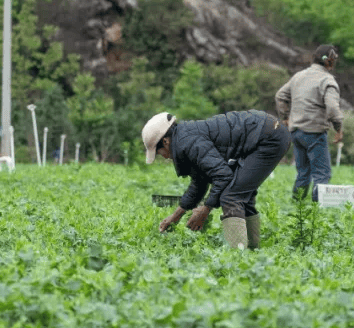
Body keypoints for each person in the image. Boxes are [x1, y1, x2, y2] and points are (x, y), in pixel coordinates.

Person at [143, 110, 291, 250]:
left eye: (158, 152)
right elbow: (199, 182)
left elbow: (223, 175)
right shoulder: (185, 139)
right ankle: (253, 250)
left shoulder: (188, 143)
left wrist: (205, 209)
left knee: (232, 197)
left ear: (166, 141)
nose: (163, 156)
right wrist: (176, 216)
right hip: (267, 131)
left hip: (269, 137)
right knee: (241, 194)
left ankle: (238, 256)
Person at [274, 44, 343, 201]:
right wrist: (339, 129)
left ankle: (295, 207)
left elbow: (280, 96)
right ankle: (316, 212)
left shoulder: (299, 76)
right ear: (329, 61)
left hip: (296, 132)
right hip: (314, 132)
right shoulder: (327, 80)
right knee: (322, 173)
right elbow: (332, 108)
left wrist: (285, 118)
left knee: (303, 172)